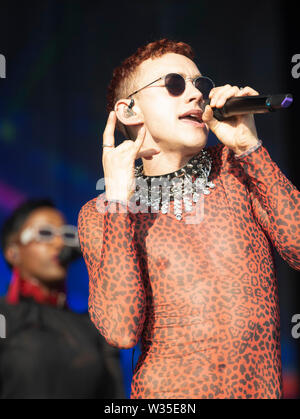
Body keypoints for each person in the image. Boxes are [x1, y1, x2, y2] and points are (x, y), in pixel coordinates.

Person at [78, 39, 300, 399]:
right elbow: (121, 329)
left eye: (199, 84)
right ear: (129, 110)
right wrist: (119, 204)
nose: (196, 95)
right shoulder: (100, 214)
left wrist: (249, 149)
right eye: (175, 84)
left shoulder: (236, 169)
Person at [0, 198, 124, 399]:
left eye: (66, 235)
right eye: (45, 234)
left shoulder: (93, 327)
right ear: (13, 252)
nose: (59, 243)